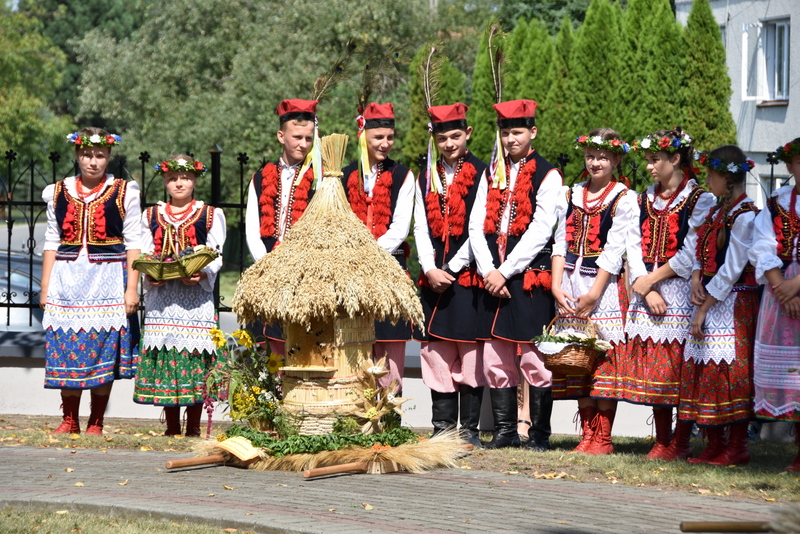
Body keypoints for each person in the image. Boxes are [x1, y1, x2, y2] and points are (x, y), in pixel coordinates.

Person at [468, 99, 563, 449]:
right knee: (495, 357)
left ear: (532, 132)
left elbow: (541, 229)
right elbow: (476, 225)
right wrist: (489, 269)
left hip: (527, 278)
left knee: (535, 358)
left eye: (517, 132)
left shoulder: (548, 174)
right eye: (505, 133)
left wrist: (505, 271)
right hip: (492, 278)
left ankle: (539, 434)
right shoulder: (492, 172)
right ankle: (506, 431)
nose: (510, 139)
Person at [41, 128, 141, 435]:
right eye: (87, 155)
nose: (93, 162)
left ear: (109, 156)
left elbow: (134, 241)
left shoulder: (126, 192)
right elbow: (51, 240)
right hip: (66, 279)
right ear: (76, 154)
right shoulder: (56, 191)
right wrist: (45, 288)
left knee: (102, 347)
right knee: (64, 343)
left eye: (99, 155)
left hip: (107, 277)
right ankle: (69, 418)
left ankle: (96, 421)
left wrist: (131, 288)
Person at [627, 129, 716, 460]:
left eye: (655, 160)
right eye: (648, 161)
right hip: (647, 287)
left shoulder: (700, 199)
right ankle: (662, 439)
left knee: (679, 368)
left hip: (679, 289)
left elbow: (692, 250)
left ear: (675, 158)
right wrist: (644, 284)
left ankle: (680, 441)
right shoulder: (643, 198)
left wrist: (652, 279)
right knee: (655, 364)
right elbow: (631, 243)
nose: (650, 167)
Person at [550, 129, 637, 455]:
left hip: (602, 287)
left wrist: (593, 295)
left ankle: (603, 436)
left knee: (601, 359)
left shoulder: (623, 198)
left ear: (616, 159)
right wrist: (556, 286)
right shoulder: (570, 194)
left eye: (602, 156)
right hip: (571, 285)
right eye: (590, 156)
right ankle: (586, 433)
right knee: (576, 359)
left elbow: (615, 252)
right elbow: (559, 243)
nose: (595, 162)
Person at [133, 156, 226, 437]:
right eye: (172, 178)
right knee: (168, 353)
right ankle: (172, 426)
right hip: (163, 299)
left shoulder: (209, 213)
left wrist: (202, 272)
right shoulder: (151, 215)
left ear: (195, 180)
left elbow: (216, 251)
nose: (179, 183)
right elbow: (144, 250)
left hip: (194, 299)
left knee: (195, 357)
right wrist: (151, 275)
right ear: (164, 182)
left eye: (184, 178)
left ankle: (194, 426)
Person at [677, 145, 758, 466]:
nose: (708, 180)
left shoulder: (746, 215)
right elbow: (699, 246)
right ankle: (713, 443)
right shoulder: (716, 212)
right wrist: (696, 277)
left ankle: (737, 446)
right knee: (705, 372)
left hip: (734, 301)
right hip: (711, 296)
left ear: (728, 177)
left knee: (729, 373)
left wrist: (705, 306)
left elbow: (732, 267)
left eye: (712, 175)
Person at [413, 102, 489, 446]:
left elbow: (481, 228)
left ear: (468, 133)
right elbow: (419, 225)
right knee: (436, 351)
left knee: (470, 352)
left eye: (455, 136)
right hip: (433, 277)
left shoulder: (485, 173)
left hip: (467, 276)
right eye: (442, 138)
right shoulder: (425, 175)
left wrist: (452, 268)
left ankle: (469, 430)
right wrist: (429, 268)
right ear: (434, 139)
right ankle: (442, 426)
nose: (449, 144)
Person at [341, 102, 414, 394]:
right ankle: (356, 415)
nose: (385, 144)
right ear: (363, 136)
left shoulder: (402, 175)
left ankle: (389, 419)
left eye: (389, 137)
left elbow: (400, 228)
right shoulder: (345, 176)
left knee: (390, 345)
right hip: (351, 269)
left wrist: (368, 254)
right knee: (355, 344)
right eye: (378, 138)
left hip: (389, 267)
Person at [245, 99, 319, 356]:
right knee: (266, 350)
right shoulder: (260, 177)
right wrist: (268, 266)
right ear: (281, 136)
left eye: (308, 138)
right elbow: (252, 228)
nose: (303, 144)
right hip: (266, 272)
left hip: (305, 276)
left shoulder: (320, 179)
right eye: (297, 137)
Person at [749, 138, 800, 472]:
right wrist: (782, 286)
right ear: (789, 166)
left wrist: (796, 285)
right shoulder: (778, 201)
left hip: (792, 286)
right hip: (780, 293)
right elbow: (761, 244)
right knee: (790, 377)